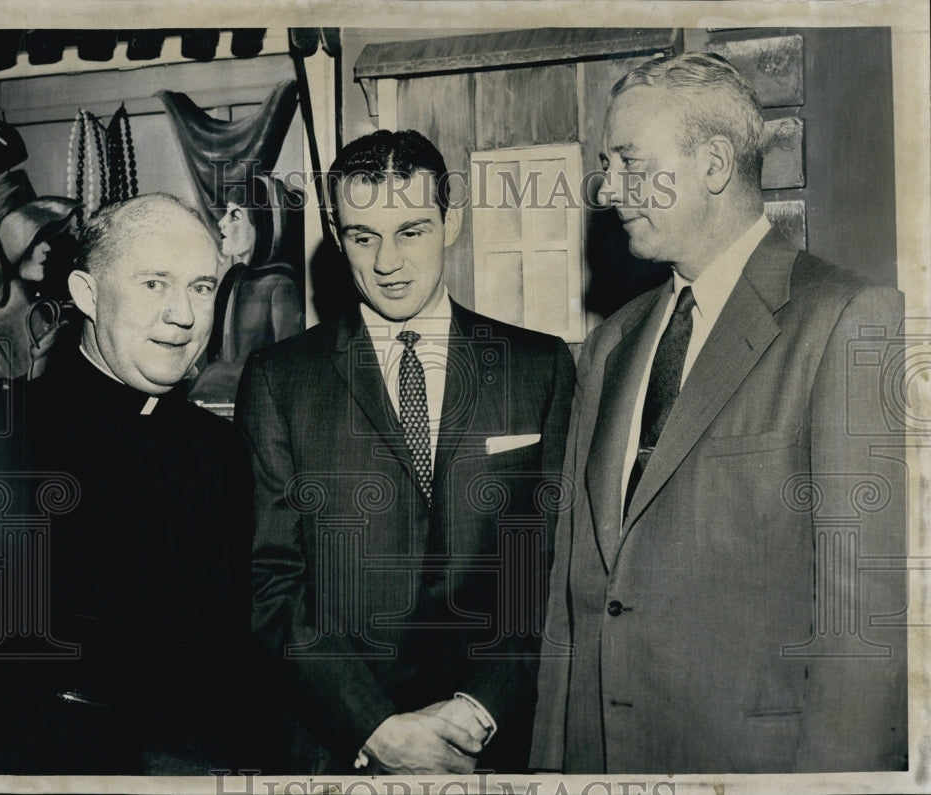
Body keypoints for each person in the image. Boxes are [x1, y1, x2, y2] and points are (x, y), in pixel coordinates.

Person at [531, 52, 907, 774]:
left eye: (631, 163)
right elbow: (570, 607)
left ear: (711, 163)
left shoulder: (848, 320)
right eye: (608, 164)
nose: (610, 188)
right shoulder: (610, 344)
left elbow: (865, 635)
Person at [236, 129, 575, 774]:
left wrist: (479, 710)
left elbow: (556, 570)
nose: (387, 262)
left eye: (412, 230)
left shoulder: (539, 368)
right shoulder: (281, 379)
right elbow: (271, 582)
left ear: (451, 223)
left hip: (492, 743)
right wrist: (375, 727)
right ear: (336, 240)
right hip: (340, 752)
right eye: (363, 237)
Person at [0, 193, 260, 774]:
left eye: (201, 287)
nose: (185, 316)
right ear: (86, 295)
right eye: (153, 284)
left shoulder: (220, 450)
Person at [188, 174, 305, 404]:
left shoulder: (281, 285)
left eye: (235, 216)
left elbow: (289, 367)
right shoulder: (233, 278)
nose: (222, 223)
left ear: (262, 224)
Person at [0, 169, 81, 381]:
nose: (46, 248)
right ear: (11, 248)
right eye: (34, 240)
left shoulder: (47, 311)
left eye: (46, 238)